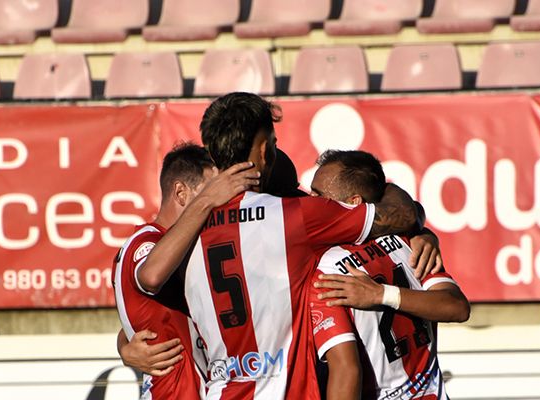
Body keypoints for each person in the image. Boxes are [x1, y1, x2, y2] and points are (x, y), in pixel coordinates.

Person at [137, 92, 423, 400]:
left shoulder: (183, 235)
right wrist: (402, 206)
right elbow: (403, 215)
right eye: (273, 142)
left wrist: (126, 347)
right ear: (264, 149)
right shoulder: (297, 216)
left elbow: (148, 290)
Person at [309, 150, 470, 399]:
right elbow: (456, 307)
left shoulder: (325, 270)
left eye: (318, 195)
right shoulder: (408, 241)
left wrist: (381, 294)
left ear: (353, 203)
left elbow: (346, 373)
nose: (309, 202)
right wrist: (425, 234)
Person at [112, 143, 260, 399]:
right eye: (211, 191)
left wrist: (124, 345)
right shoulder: (146, 241)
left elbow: (150, 319)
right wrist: (206, 201)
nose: (220, 202)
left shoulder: (194, 248)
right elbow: (151, 276)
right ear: (181, 193)